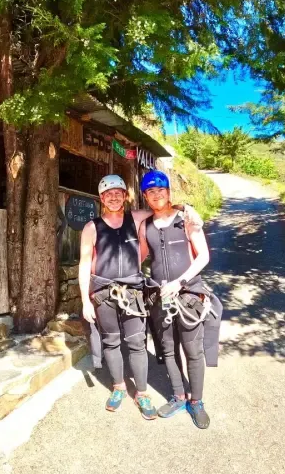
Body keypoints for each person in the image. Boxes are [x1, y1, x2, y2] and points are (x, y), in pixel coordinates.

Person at [78, 174, 201, 418]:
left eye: (118, 193)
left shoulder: (134, 218)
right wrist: (85, 300)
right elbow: (84, 264)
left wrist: (186, 208)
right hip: (103, 292)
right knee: (111, 342)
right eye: (108, 194)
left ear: (125, 196)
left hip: (133, 291)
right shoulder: (91, 227)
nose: (113, 197)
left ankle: (142, 393)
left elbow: (161, 207)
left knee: (136, 342)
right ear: (101, 198)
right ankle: (118, 387)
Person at [138, 169, 222, 429]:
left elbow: (203, 256)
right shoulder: (146, 225)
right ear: (145, 196)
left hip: (188, 295)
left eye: (161, 189)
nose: (156, 194)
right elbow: (139, 258)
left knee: (192, 350)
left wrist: (180, 282)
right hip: (160, 297)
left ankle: (196, 402)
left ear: (168, 192)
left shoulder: (185, 218)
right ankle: (178, 395)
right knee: (167, 349)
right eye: (151, 191)